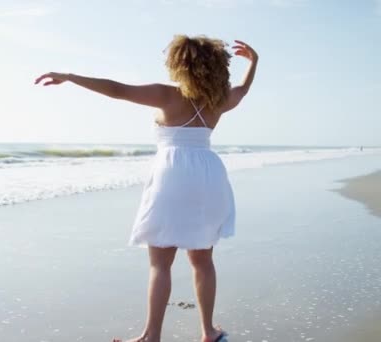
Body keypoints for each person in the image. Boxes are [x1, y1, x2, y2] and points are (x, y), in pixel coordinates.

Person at [35, 35, 258, 342]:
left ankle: (151, 336)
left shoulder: (168, 95)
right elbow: (243, 90)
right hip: (208, 174)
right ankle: (208, 332)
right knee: (203, 260)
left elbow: (117, 90)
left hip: (174, 173)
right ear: (217, 68)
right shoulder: (218, 102)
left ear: (179, 64)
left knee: (160, 263)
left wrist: (71, 77)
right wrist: (254, 62)